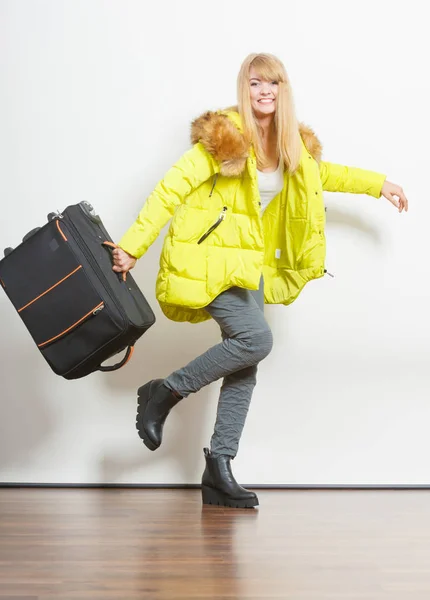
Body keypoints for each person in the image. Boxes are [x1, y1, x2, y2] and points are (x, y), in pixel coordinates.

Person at [112, 53, 408, 509]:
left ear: (283, 89)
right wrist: (133, 245)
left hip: (248, 268)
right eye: (255, 83)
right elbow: (169, 188)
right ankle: (165, 391)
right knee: (256, 340)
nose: (264, 91)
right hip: (209, 263)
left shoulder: (292, 145)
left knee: (244, 364)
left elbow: (324, 174)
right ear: (243, 89)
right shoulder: (225, 139)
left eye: (273, 83)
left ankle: (219, 469)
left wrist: (379, 183)